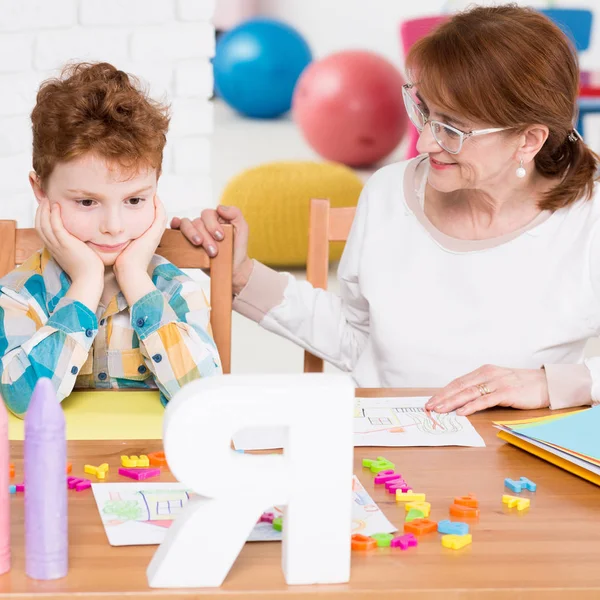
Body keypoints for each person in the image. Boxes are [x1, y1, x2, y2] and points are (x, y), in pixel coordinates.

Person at [174, 4, 600, 416]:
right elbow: (358, 337)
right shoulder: (386, 193)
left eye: (452, 128)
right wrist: (242, 274)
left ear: (528, 140)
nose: (426, 143)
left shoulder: (589, 217)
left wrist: (550, 384)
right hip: (394, 451)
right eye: (425, 113)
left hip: (518, 464)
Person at [0, 62, 221, 417]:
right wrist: (86, 283)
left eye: (135, 200)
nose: (114, 227)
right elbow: (24, 402)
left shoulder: (176, 292)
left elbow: (203, 397)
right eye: (87, 202)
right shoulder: (20, 296)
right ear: (40, 190)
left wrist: (134, 276)